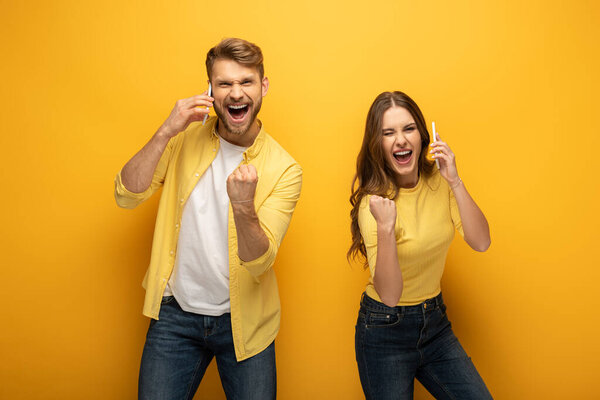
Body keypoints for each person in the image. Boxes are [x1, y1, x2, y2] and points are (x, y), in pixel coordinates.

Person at [114, 38, 302, 400]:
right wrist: (166, 130)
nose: (236, 93)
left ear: (263, 86)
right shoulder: (181, 140)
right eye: (225, 83)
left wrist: (243, 206)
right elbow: (126, 194)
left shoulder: (285, 168)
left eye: (246, 82)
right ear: (210, 90)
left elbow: (259, 261)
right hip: (175, 316)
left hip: (245, 323)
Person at [349, 91, 493, 399]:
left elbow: (481, 241)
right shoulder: (373, 205)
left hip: (435, 323)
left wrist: (455, 180)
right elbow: (389, 296)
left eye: (408, 128)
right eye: (389, 133)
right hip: (384, 329)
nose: (400, 140)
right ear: (378, 144)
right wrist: (386, 228)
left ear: (423, 136)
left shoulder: (440, 182)